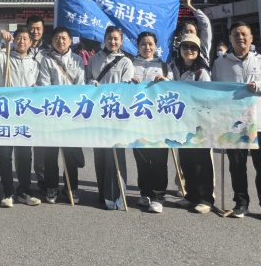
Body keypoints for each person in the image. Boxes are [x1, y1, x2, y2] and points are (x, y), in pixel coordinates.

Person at [213, 21, 261, 223]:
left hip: (260, 123)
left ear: (251, 38)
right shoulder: (220, 63)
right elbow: (215, 91)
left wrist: (258, 86)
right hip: (233, 124)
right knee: (237, 166)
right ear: (230, 38)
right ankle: (241, 203)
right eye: (236, 34)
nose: (240, 37)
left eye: (244, 34)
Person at [0, 27, 42, 207]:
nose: (22, 41)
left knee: (25, 155)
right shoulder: (5, 57)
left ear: (31, 42)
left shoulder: (35, 63)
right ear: (13, 40)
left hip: (26, 114)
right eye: (18, 38)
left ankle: (24, 190)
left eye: (25, 39)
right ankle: (7, 191)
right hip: (6, 114)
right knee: (5, 154)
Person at [86, 26, 133, 209]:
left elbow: (126, 88)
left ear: (121, 41)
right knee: (100, 155)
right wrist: (90, 83)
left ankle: (116, 198)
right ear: (104, 39)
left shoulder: (126, 62)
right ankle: (102, 194)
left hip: (115, 114)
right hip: (97, 114)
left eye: (116, 39)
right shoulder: (94, 59)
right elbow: (86, 80)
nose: (112, 42)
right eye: (109, 38)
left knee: (115, 157)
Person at [37, 26, 85, 204]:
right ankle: (51, 187)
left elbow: (81, 86)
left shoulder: (77, 60)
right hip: (52, 113)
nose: (61, 41)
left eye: (64, 38)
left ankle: (71, 187)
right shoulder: (46, 60)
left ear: (70, 41)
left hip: (71, 114)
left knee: (70, 153)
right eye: (57, 38)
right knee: (50, 154)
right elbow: (44, 85)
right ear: (52, 41)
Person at [170, 34, 215, 214]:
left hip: (199, 122)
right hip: (180, 122)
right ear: (180, 48)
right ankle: (191, 195)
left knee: (201, 161)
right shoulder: (172, 67)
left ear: (198, 51)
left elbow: (207, 97)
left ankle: (205, 198)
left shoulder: (201, 72)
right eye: (185, 46)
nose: (189, 50)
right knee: (186, 160)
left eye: (193, 47)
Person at [130, 31, 170, 213]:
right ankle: (145, 192)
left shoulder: (164, 65)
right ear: (138, 46)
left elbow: (175, 89)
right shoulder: (131, 64)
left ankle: (159, 195)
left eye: (150, 44)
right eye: (143, 44)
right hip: (137, 119)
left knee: (160, 158)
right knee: (142, 158)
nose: (147, 47)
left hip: (159, 121)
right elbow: (122, 87)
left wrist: (165, 81)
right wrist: (129, 82)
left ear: (156, 46)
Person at [26, 15, 50, 189]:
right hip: (24, 102)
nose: (35, 31)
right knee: (24, 143)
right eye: (32, 28)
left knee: (42, 143)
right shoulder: (18, 47)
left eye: (38, 28)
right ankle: (24, 181)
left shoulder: (49, 49)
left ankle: (42, 179)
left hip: (43, 102)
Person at [180, 0, 212, 64]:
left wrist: (189, 6)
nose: (189, 33)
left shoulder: (203, 45)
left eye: (191, 31)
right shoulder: (175, 50)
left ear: (196, 33)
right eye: (186, 31)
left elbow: (205, 22)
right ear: (181, 33)